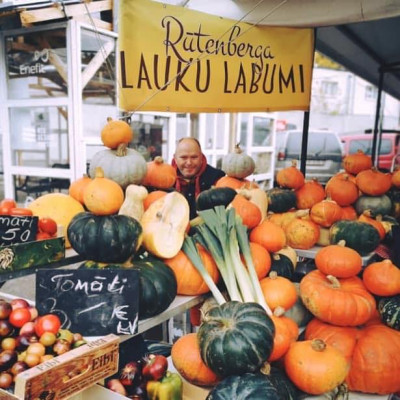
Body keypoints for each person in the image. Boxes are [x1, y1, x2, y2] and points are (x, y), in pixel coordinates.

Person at [172, 138, 225, 219]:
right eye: (183, 157)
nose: (189, 163)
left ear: (201, 157)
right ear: (175, 159)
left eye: (194, 157)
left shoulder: (216, 178)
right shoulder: (166, 180)